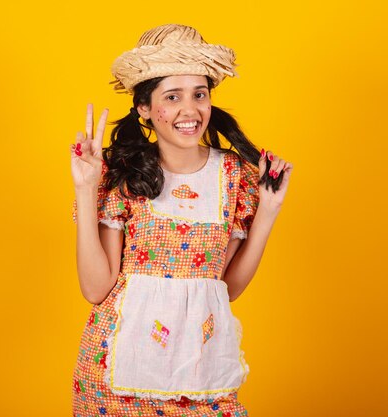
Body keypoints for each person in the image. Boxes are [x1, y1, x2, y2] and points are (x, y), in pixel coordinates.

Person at [69, 24, 293, 417]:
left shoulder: (237, 176)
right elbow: (95, 288)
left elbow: (224, 288)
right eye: (172, 96)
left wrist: (269, 210)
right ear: (144, 108)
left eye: (199, 95)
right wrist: (87, 189)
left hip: (201, 368)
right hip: (115, 372)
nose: (190, 111)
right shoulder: (121, 172)